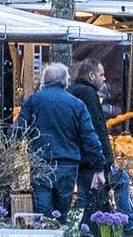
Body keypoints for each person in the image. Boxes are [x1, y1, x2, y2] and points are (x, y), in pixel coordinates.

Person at [15, 62, 107, 221]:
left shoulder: (33, 101)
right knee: (61, 217)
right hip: (68, 165)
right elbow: (90, 138)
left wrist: (8, 154)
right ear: (66, 81)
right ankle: (61, 234)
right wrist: (99, 168)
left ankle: (43, 236)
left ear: (44, 80)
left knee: (42, 216)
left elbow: (17, 130)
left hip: (41, 163)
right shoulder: (77, 104)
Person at [69, 58, 121, 212]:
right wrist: (108, 159)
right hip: (91, 159)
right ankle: (126, 220)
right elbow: (98, 128)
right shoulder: (89, 94)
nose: (104, 78)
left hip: (78, 157)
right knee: (118, 183)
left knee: (85, 199)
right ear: (91, 75)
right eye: (101, 74)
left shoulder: (72, 91)